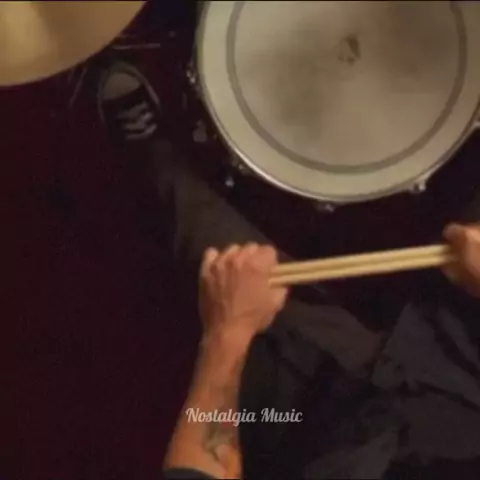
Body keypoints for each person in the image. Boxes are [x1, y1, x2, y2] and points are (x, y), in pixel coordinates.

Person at [98, 60, 480, 479]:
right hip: (459, 376)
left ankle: (155, 160)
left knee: (230, 267)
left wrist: (226, 334)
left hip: (329, 440)